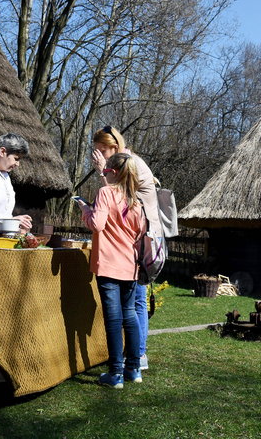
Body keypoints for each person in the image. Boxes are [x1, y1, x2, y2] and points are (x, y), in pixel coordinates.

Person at [91, 126, 157, 371]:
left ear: (114, 148)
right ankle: (134, 363)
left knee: (132, 306)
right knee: (132, 307)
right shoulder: (126, 165)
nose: (98, 155)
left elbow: (112, 199)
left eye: (101, 150)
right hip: (135, 246)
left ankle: (134, 358)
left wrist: (101, 175)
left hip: (135, 248)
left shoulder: (129, 166)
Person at [77, 152, 146, 389]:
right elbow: (139, 233)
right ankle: (133, 369)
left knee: (114, 319)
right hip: (130, 265)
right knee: (130, 315)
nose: (103, 174)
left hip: (108, 264)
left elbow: (97, 224)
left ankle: (115, 373)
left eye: (105, 171)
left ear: (114, 172)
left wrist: (85, 209)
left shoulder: (106, 193)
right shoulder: (136, 200)